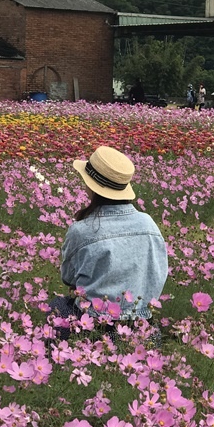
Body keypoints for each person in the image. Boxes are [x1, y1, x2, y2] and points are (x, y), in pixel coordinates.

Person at [49, 145, 168, 342]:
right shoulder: (148, 224)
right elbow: (158, 276)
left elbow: (68, 278)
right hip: (140, 329)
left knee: (57, 307)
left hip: (92, 328)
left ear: (91, 185)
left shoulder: (82, 230)